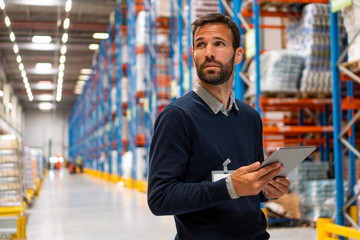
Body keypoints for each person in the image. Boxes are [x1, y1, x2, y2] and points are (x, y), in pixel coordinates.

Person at [147, 13, 290, 240]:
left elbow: (246, 188)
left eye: (219, 44)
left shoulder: (250, 117)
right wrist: (229, 187)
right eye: (200, 45)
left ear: (238, 55)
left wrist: (266, 190)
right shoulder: (177, 117)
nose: (208, 52)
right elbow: (160, 198)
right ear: (193, 54)